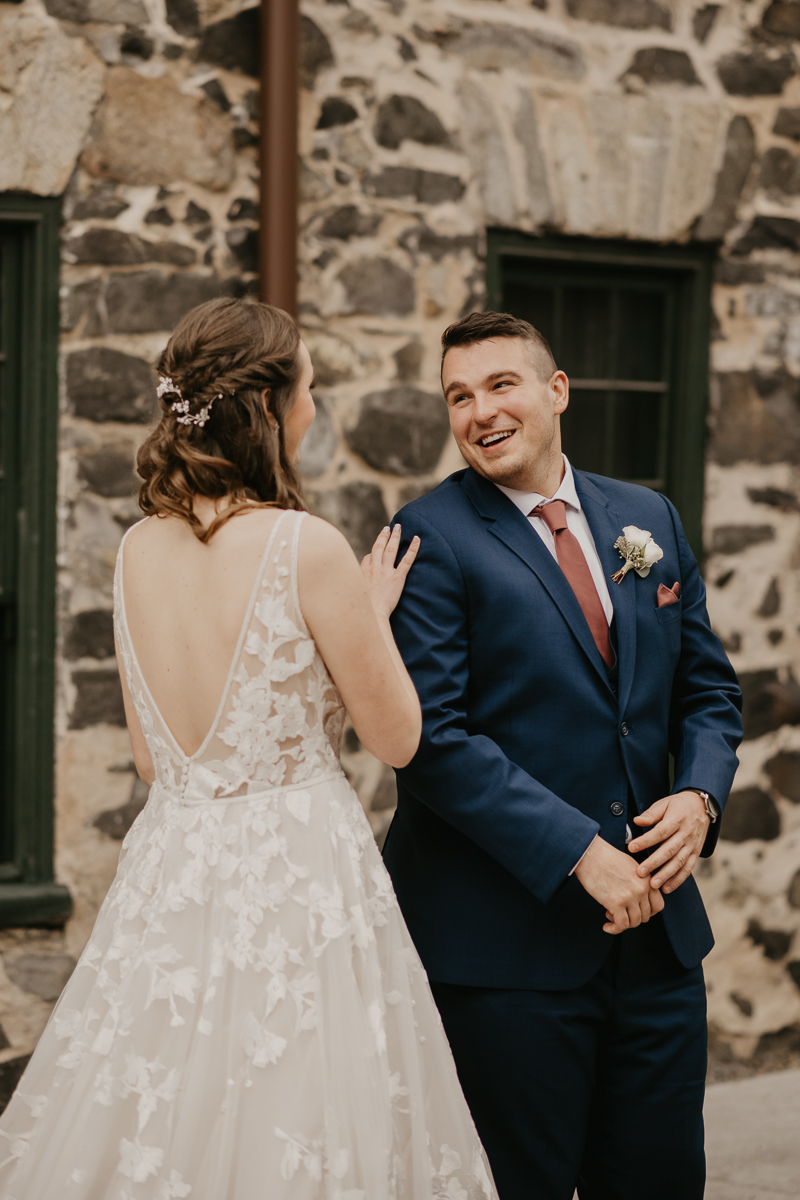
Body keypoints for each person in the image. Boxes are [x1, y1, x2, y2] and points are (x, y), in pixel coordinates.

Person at [0, 298, 497, 1200]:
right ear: (269, 409)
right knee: (299, 1101)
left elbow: (156, 763)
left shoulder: (135, 551)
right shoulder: (307, 547)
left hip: (175, 865)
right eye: (309, 387)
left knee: (162, 1104)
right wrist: (365, 625)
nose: (316, 407)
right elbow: (398, 735)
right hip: (300, 869)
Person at [383, 310, 743, 1200]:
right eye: (459, 396)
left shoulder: (645, 516)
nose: (480, 412)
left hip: (657, 949)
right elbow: (432, 741)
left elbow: (709, 691)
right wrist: (581, 852)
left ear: (557, 391)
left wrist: (698, 798)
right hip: (507, 955)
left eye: (501, 385)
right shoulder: (431, 536)